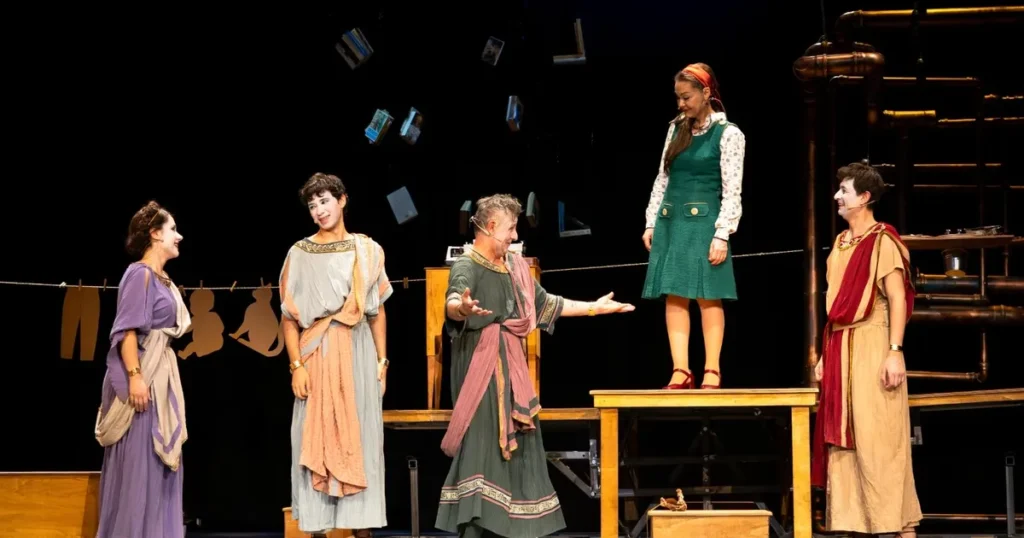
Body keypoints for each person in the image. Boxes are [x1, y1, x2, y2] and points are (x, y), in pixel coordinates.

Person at [435, 194, 635, 538]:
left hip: (512, 371)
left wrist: (594, 308)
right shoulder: (467, 265)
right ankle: (474, 531)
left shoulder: (514, 266)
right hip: (481, 371)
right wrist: (462, 308)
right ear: (491, 226)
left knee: (516, 453)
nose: (515, 236)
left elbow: (546, 305)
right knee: (482, 450)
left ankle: (510, 530)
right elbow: (453, 300)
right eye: (511, 229)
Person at [812, 162, 922, 537]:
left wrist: (895, 351)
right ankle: (856, 525)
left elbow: (897, 299)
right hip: (841, 345)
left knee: (879, 437)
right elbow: (835, 307)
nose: (836, 196)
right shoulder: (841, 243)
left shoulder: (883, 241)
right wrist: (825, 356)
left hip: (874, 341)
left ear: (864, 197)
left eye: (844, 191)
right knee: (846, 442)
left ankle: (900, 526)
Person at [280, 173, 391, 538]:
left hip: (358, 352)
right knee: (313, 435)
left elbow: (376, 312)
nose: (319, 211)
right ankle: (317, 526)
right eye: (313, 206)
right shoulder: (299, 252)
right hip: (317, 352)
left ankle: (361, 526)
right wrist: (296, 366)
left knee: (362, 435)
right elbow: (289, 318)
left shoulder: (367, 250)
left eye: (325, 201)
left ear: (342, 200)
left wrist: (382, 361)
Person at [641, 62, 746, 390]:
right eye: (678, 97)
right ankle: (681, 370)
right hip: (671, 220)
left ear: (706, 93)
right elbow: (662, 178)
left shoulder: (728, 133)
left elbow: (732, 189)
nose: (681, 103)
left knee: (707, 295)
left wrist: (722, 234)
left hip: (704, 223)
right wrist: (651, 221)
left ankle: (712, 370)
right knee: (674, 294)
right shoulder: (676, 129)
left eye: (686, 97)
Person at [94, 201, 191, 538]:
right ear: (155, 234)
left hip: (158, 379)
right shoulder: (140, 274)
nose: (179, 236)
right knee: (140, 469)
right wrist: (136, 378)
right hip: (140, 381)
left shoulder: (163, 280)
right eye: (173, 229)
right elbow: (127, 331)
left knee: (158, 469)